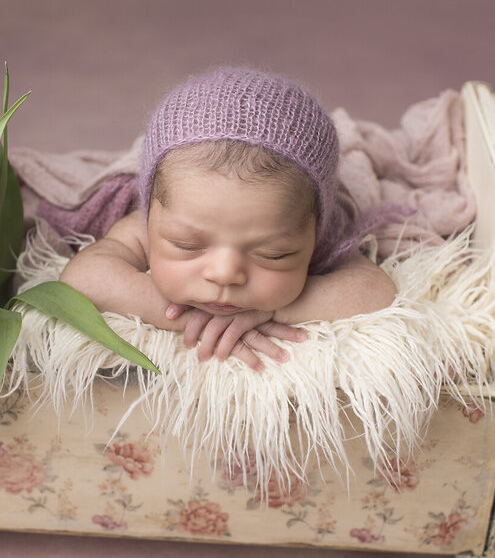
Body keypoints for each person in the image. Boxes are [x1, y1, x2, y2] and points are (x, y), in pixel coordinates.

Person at [60, 67, 399, 370]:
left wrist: (274, 311)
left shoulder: (319, 229)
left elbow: (376, 291)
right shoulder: (152, 220)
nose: (224, 275)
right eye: (187, 246)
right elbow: (82, 277)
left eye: (273, 254)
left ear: (314, 230)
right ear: (151, 212)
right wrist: (187, 318)